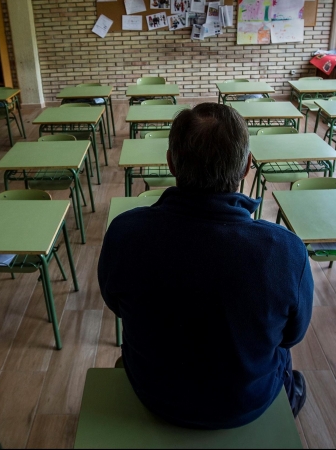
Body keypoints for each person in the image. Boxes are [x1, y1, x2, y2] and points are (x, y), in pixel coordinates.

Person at [98, 103, 314, 429]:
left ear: (170, 162)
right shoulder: (285, 250)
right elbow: (291, 335)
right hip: (247, 404)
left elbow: (115, 302)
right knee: (283, 358)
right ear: (246, 167)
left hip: (154, 393)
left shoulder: (125, 232)